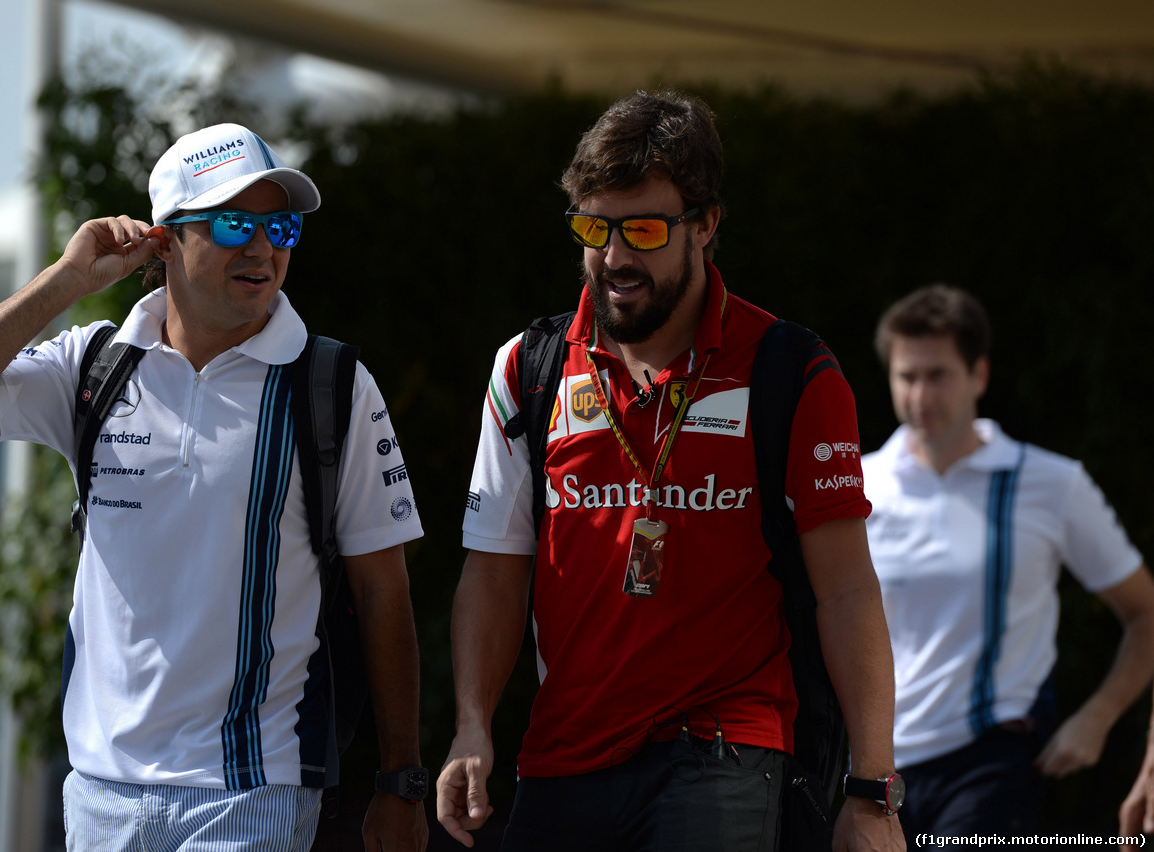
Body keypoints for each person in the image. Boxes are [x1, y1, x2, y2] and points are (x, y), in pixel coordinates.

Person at [0, 123, 429, 852]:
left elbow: (383, 593)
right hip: (99, 792)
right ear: (166, 240)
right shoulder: (92, 366)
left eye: (281, 226)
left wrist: (402, 780)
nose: (262, 247)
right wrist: (66, 280)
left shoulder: (332, 385)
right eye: (235, 222)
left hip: (251, 794)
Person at [436, 90, 905, 852]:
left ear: (706, 224)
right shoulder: (528, 366)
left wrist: (873, 789)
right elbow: (493, 570)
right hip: (564, 752)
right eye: (594, 228)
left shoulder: (793, 370)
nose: (615, 257)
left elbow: (847, 588)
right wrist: (471, 726)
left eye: (645, 229)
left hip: (724, 746)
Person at [863, 284, 1154, 845]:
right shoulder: (858, 486)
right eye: (907, 376)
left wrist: (1097, 716)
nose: (920, 393)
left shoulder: (1050, 483)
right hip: (872, 766)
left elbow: (1145, 614)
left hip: (991, 759)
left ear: (979, 375)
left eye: (938, 374)